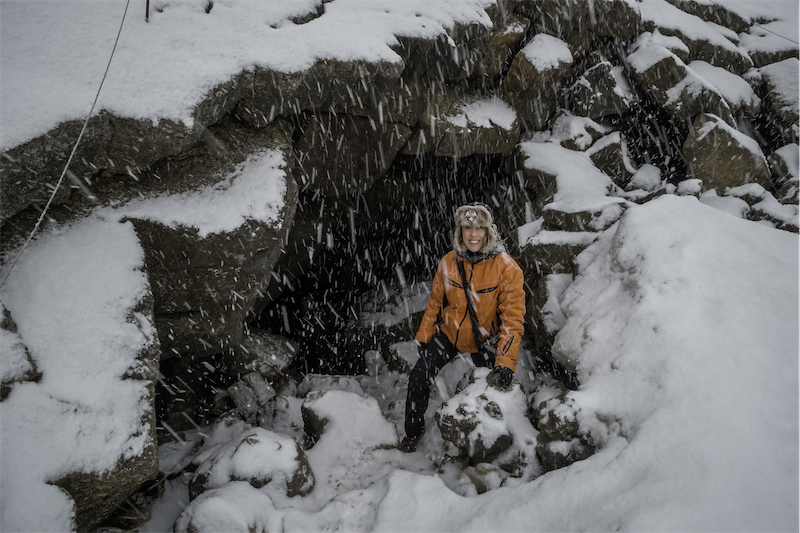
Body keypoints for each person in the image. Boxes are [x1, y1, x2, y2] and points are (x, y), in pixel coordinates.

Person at [401, 202, 526, 453]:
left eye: (479, 228)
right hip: (450, 334)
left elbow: (512, 320)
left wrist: (505, 362)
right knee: (418, 377)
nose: (473, 234)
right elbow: (436, 302)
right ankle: (413, 432)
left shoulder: (506, 267)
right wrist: (425, 335)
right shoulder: (448, 262)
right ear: (460, 231)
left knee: (493, 389)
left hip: (484, 339)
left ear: (488, 231)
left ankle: (490, 441)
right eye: (467, 228)